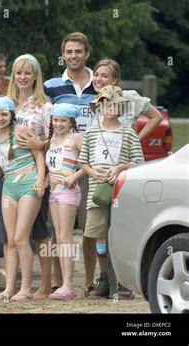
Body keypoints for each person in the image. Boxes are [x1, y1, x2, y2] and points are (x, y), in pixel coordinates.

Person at [0, 97, 45, 300]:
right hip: (9, 186)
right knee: (10, 240)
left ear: (12, 115)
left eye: (4, 114)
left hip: (28, 183)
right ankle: (9, 288)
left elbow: (39, 154)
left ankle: (26, 289)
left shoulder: (21, 130)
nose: (0, 118)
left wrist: (40, 180)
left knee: (22, 238)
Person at [43, 32, 97, 296]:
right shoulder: (51, 86)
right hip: (61, 169)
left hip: (92, 165)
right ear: (62, 54)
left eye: (78, 51)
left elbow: (122, 120)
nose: (73, 56)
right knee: (58, 231)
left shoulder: (100, 84)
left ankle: (89, 283)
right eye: (69, 51)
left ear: (86, 53)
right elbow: (46, 124)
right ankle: (60, 282)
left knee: (90, 228)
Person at [78, 85, 144, 299]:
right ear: (98, 106)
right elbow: (83, 162)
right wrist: (93, 172)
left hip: (121, 193)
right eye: (104, 103)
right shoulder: (91, 132)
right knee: (99, 236)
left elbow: (138, 163)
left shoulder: (129, 133)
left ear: (121, 107)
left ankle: (123, 283)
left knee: (119, 236)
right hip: (96, 193)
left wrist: (119, 168)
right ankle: (106, 278)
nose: (108, 107)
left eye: (113, 103)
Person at [8, 54, 53, 299]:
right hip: (9, 175)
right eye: (18, 72)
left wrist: (40, 143)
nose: (23, 77)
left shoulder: (45, 106)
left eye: (28, 73)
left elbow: (55, 141)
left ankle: (45, 285)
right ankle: (11, 287)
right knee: (12, 236)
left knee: (40, 233)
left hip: (35, 176)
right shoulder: (7, 104)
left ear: (36, 75)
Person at [45, 103, 85, 300]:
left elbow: (89, 165)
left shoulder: (75, 138)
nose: (59, 124)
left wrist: (73, 177)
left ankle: (68, 285)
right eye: (56, 120)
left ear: (71, 122)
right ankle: (62, 284)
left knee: (66, 237)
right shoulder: (52, 139)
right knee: (59, 238)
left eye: (63, 120)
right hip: (54, 192)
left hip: (68, 192)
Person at [92, 59, 163, 140]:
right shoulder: (96, 101)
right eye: (96, 75)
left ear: (114, 80)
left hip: (124, 151)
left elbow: (157, 117)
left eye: (104, 76)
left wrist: (137, 140)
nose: (98, 79)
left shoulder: (128, 97)